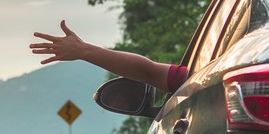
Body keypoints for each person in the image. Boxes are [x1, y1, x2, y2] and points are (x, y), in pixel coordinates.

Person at [30, 20, 187, 93]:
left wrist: (83, 51)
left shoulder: (198, 80)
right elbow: (148, 73)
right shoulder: (200, 78)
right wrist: (83, 50)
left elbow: (149, 73)